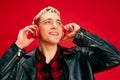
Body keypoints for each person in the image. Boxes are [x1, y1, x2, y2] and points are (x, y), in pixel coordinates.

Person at [0, 6, 120, 80]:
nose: (55, 26)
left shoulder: (80, 57)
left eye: (58, 22)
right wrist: (18, 46)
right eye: (48, 22)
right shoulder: (21, 63)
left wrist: (81, 34)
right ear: (36, 29)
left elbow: (115, 58)